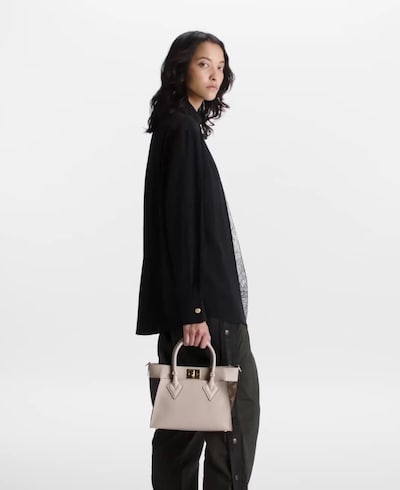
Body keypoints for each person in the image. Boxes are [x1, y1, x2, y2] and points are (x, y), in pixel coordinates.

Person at [136, 30, 260, 490]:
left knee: (183, 420)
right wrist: (194, 310)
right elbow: (181, 224)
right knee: (235, 415)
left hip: (193, 306)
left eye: (221, 66)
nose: (215, 74)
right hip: (206, 310)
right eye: (204, 64)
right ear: (181, 68)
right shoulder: (182, 132)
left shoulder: (175, 128)